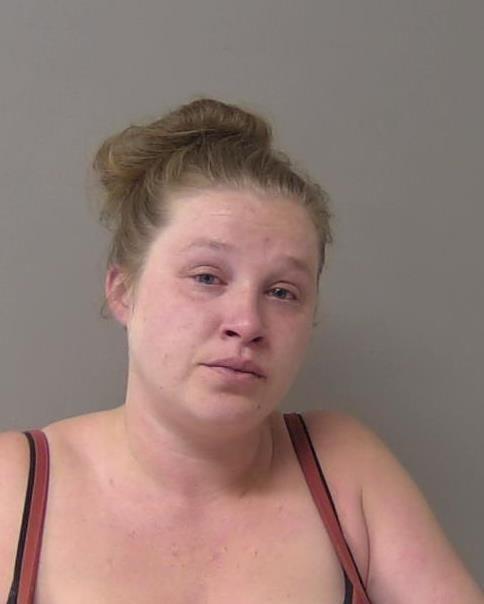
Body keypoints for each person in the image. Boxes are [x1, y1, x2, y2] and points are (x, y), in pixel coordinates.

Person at [0, 97, 482, 604]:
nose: (248, 323)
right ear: (123, 292)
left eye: (282, 292)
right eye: (207, 277)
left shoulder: (344, 467)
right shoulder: (13, 484)